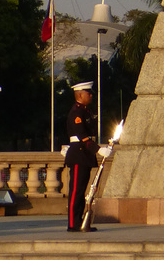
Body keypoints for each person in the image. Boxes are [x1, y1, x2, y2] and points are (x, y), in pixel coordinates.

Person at [64, 81, 99, 232]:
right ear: (80, 95)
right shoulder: (76, 113)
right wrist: (96, 150)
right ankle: (73, 223)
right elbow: (82, 136)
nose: (91, 95)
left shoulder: (85, 111)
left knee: (82, 190)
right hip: (79, 153)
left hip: (84, 154)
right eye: (88, 93)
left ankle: (79, 221)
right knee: (76, 191)